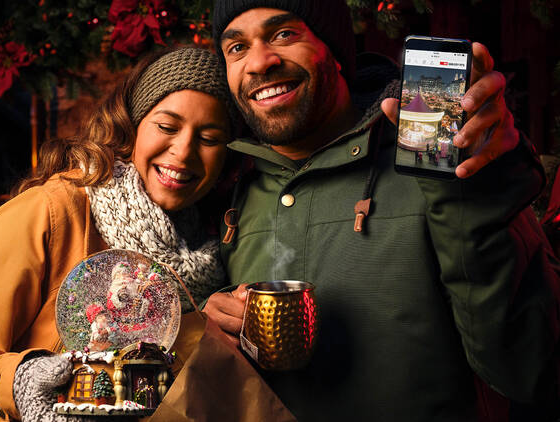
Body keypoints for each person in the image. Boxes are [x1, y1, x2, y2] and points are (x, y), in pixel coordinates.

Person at [202, 0, 560, 420]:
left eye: (284, 34)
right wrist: (215, 324)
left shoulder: (443, 160)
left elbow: (535, 375)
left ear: (335, 50)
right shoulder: (224, 181)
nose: (260, 62)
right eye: (237, 48)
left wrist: (479, 194)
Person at [0, 47, 233, 422]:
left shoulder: (213, 245)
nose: (183, 152)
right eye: (166, 126)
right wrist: (19, 381)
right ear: (132, 125)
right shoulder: (50, 212)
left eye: (209, 138)